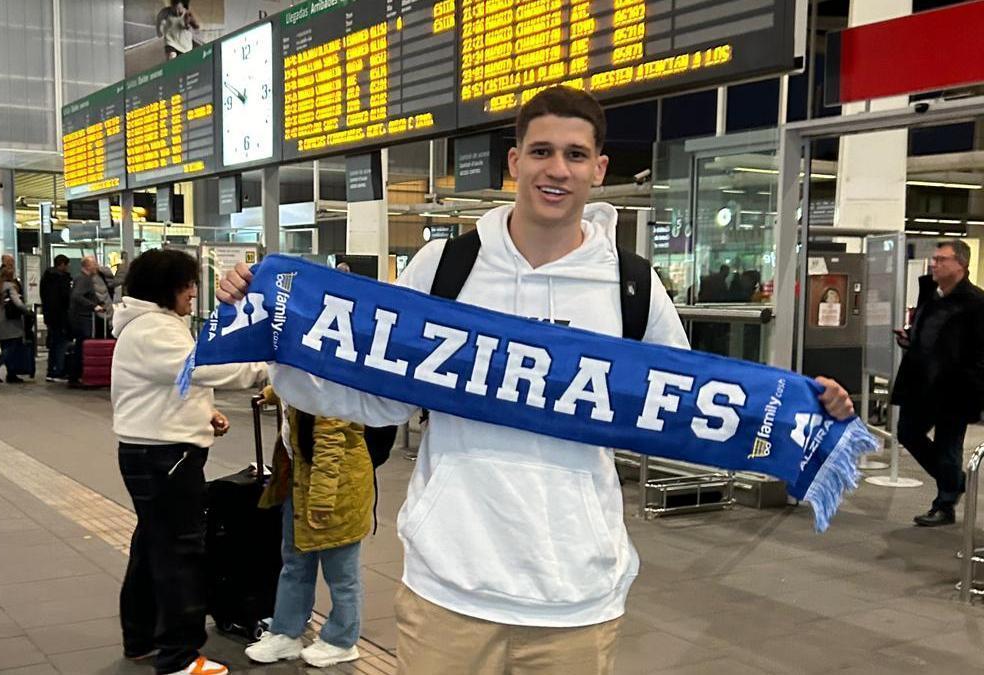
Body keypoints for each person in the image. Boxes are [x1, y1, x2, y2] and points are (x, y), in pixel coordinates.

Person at [218, 86, 855, 674]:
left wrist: (808, 417)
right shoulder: (447, 268)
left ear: (599, 169)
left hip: (576, 597)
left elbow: (683, 409)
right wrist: (273, 338)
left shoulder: (632, 286)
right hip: (449, 589)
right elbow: (377, 396)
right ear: (515, 161)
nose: (558, 169)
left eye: (576, 155)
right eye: (543, 151)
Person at [111, 248, 265, 675]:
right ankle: (179, 657)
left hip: (152, 450)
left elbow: (169, 385)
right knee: (180, 553)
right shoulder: (154, 330)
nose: (194, 292)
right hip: (165, 457)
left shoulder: (150, 325)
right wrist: (266, 369)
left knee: (151, 546)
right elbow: (203, 369)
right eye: (188, 284)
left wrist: (203, 414)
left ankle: (140, 638)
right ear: (168, 288)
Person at [245, 386, 374, 668]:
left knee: (341, 574)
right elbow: (291, 385)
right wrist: (273, 391)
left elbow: (330, 446)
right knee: (295, 564)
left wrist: (322, 503)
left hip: (337, 491)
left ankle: (342, 641)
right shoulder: (297, 373)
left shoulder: (327, 383)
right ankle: (285, 633)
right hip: (300, 481)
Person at [892, 240, 984, 527]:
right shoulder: (930, 294)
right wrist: (909, 341)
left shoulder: (977, 303)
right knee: (907, 432)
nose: (934, 263)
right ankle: (954, 481)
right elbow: (927, 334)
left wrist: (972, 383)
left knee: (948, 446)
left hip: (955, 388)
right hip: (920, 384)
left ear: (961, 265)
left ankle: (945, 504)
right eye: (934, 259)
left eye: (941, 259)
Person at [0, 264, 33, 384]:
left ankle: (11, 373)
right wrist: (27, 311)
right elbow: (17, 303)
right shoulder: (10, 286)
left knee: (5, 346)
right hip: (10, 321)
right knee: (12, 347)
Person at [68, 256, 107, 384]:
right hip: (82, 318)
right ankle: (75, 376)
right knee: (81, 346)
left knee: (80, 346)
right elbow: (77, 296)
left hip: (81, 316)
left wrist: (98, 302)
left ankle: (75, 375)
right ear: (87, 266)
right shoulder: (84, 280)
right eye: (94, 264)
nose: (97, 266)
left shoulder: (83, 279)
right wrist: (94, 306)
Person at [40, 255, 73, 382]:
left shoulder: (46, 277)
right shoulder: (61, 279)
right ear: (62, 265)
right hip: (60, 316)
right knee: (60, 344)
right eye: (67, 265)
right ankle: (57, 371)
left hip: (50, 316)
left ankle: (51, 370)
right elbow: (65, 298)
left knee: (54, 344)